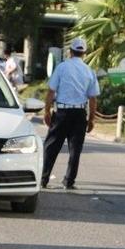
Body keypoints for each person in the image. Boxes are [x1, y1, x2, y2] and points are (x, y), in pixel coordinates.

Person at [40, 38, 100, 190]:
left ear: (70, 52)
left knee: (51, 146)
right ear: (84, 53)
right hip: (79, 113)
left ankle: (43, 178)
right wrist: (91, 119)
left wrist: (47, 111)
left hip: (62, 111)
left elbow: (51, 91)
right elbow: (93, 98)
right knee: (75, 149)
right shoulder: (89, 71)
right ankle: (69, 181)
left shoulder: (62, 67)